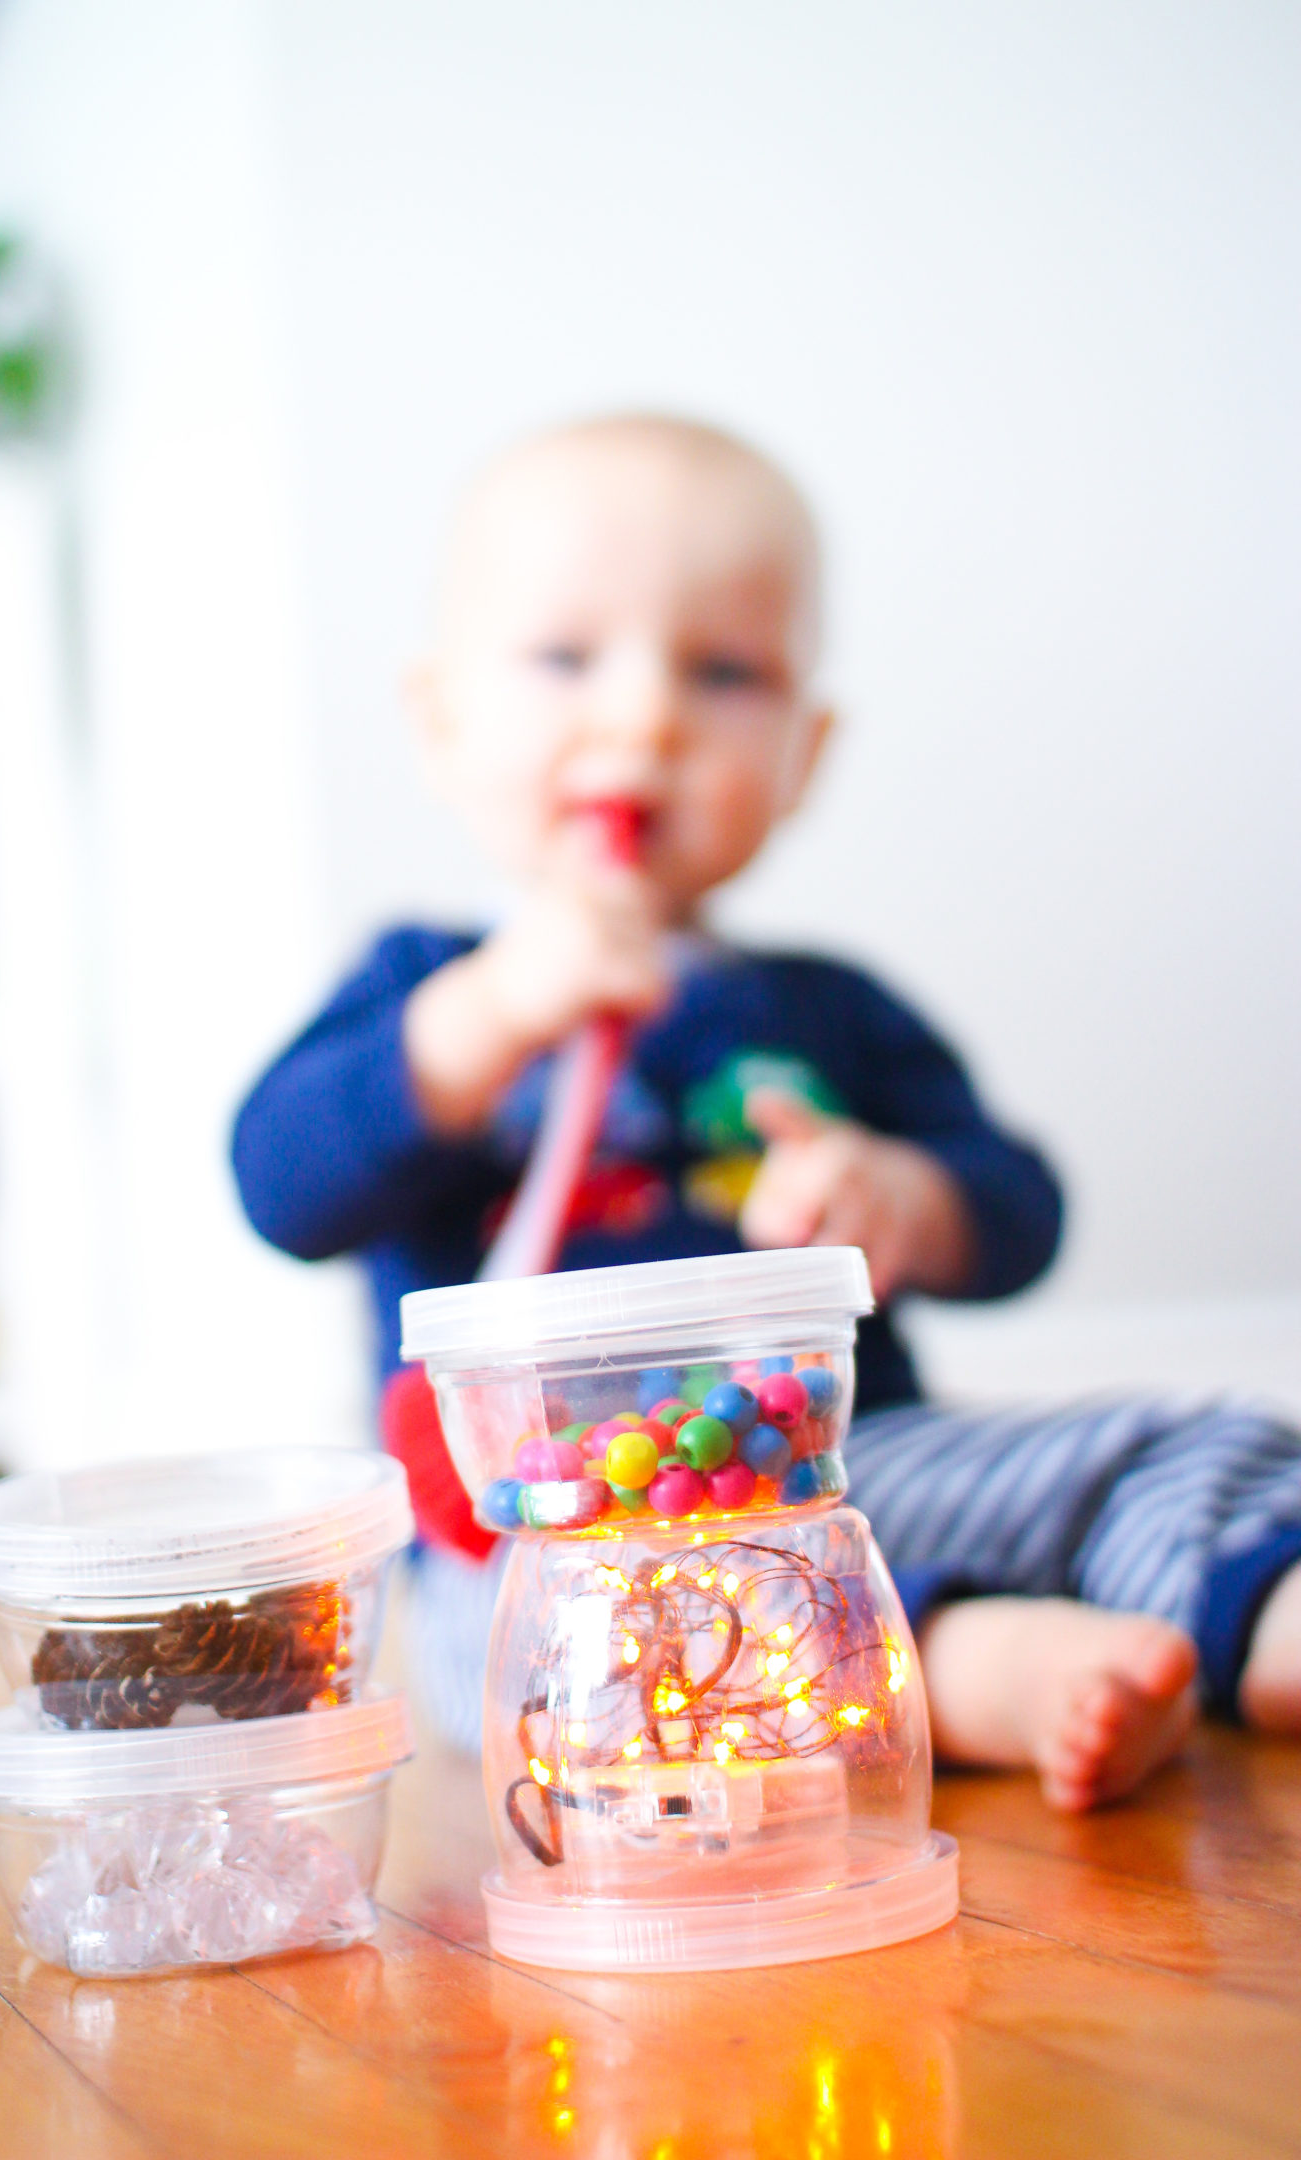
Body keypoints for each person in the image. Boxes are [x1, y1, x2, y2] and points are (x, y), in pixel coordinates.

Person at [232, 413, 1301, 1810]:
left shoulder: (826, 1009)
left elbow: (1021, 1208)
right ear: (441, 720)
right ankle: (973, 1664)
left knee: (1174, 1447)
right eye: (566, 659)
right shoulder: (424, 987)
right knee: (622, 1649)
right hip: (551, 1540)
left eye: (724, 672)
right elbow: (279, 1178)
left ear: (803, 751)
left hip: (850, 1477)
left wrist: (907, 1199)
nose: (645, 719)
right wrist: (489, 1017)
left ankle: (1259, 1610)